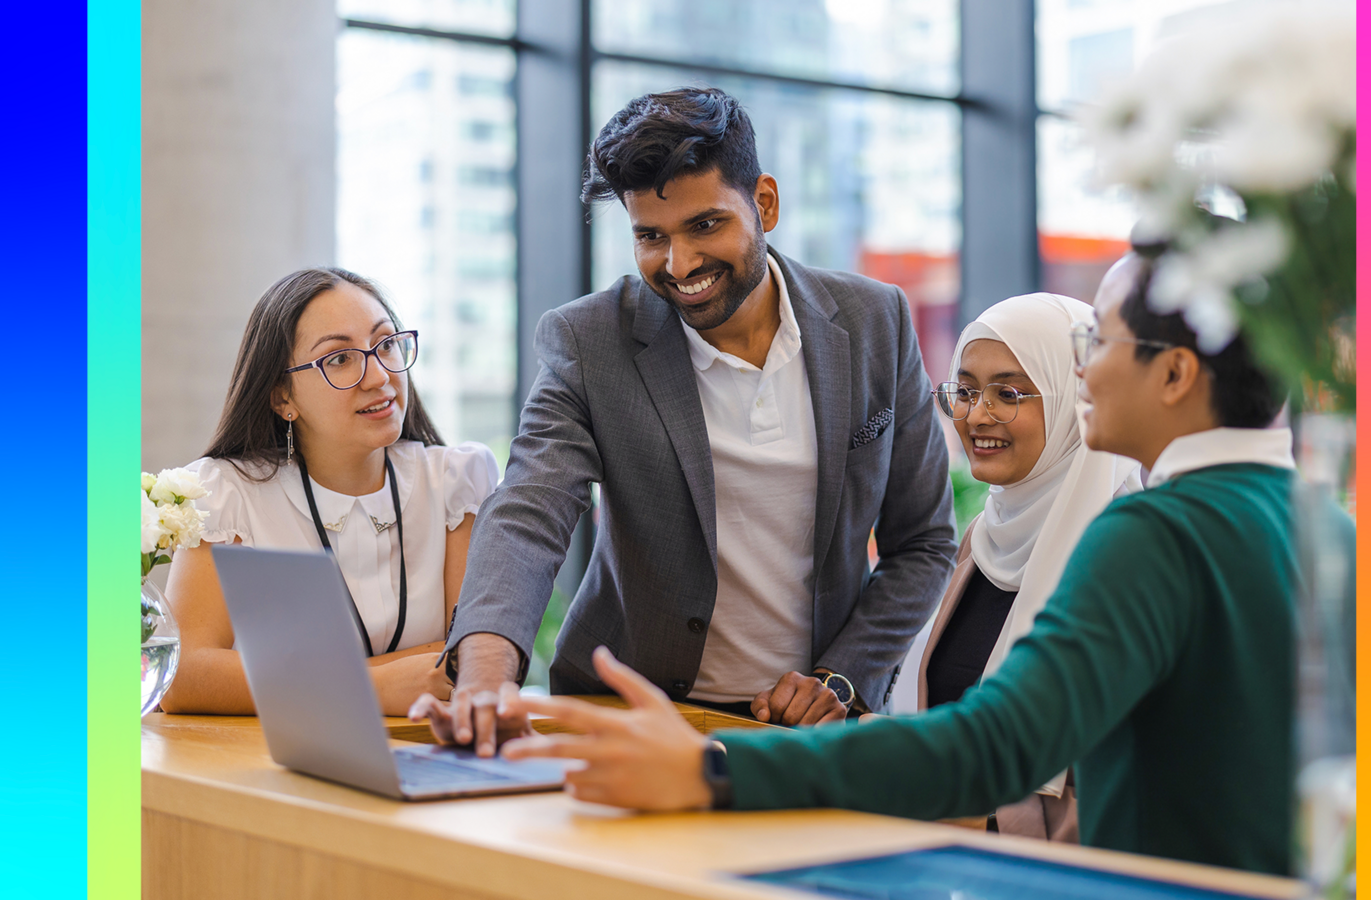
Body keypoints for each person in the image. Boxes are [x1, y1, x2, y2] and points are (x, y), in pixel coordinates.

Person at [501, 248, 1306, 876]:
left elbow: (997, 747)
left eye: (1100, 341)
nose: (1085, 366)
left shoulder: (1150, 533)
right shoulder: (1317, 529)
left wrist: (718, 766)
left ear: (1173, 373)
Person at [409, 87, 958, 755]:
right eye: (650, 237)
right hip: (635, 713)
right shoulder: (590, 342)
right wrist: (487, 679)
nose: (680, 266)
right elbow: (529, 512)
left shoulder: (876, 321)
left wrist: (840, 679)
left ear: (765, 204)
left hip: (803, 731)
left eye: (704, 226)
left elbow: (923, 544)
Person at [158, 267, 496, 716]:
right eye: (339, 359)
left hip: (428, 752)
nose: (378, 376)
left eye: (386, 344)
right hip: (269, 767)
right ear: (283, 398)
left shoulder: (456, 481)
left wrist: (280, 678)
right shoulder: (229, 493)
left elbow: (472, 657)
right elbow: (185, 677)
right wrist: (372, 686)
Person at [905, 291, 1141, 840]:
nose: (975, 415)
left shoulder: (1126, 556)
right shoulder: (984, 540)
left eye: (1008, 393)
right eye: (963, 391)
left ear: (1077, 399)